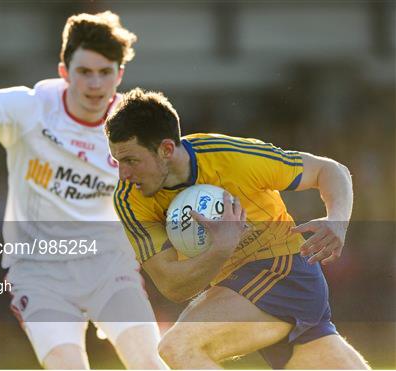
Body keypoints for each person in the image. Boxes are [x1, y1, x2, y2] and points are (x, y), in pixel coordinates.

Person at [0, 12, 166, 370]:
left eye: (106, 72)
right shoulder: (28, 107)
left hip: (109, 268)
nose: (96, 83)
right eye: (85, 72)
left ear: (120, 74)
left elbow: (167, 178)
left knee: (149, 363)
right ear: (64, 72)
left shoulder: (135, 125)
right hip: (39, 276)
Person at [105, 88, 370, 369]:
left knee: (179, 346)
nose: (123, 173)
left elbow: (329, 170)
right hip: (237, 287)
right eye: (117, 161)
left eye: (131, 160)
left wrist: (337, 221)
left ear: (166, 149)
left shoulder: (231, 158)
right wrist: (221, 248)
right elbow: (173, 285)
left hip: (284, 270)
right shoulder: (128, 199)